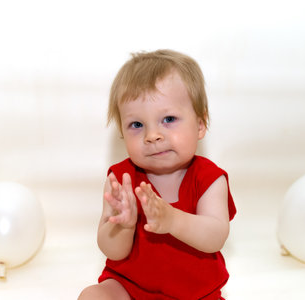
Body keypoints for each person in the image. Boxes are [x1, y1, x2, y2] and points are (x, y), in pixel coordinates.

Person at [78, 49, 236, 300]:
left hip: (196, 293)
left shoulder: (209, 179)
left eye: (169, 118)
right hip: (130, 287)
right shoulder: (121, 180)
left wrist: (172, 219)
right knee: (93, 296)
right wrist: (124, 226)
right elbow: (113, 251)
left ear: (200, 124)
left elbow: (215, 236)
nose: (152, 135)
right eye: (137, 125)